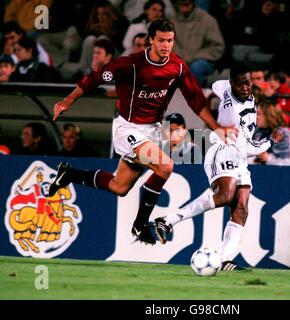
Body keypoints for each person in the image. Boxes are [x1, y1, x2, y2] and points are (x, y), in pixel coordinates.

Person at [48, 18, 235, 245]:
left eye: (170, 40)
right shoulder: (131, 64)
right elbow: (93, 78)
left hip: (152, 131)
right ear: (151, 41)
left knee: (120, 186)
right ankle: (140, 225)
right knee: (165, 166)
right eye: (162, 40)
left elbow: (196, 101)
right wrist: (66, 102)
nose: (166, 45)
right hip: (127, 128)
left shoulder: (177, 67)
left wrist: (216, 128)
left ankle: (69, 174)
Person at [153, 64, 282, 270]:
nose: (247, 88)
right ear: (233, 84)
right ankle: (167, 221)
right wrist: (271, 141)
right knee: (224, 197)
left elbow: (216, 84)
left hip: (238, 157)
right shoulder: (234, 115)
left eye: (249, 82)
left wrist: (227, 91)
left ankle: (225, 258)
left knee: (241, 208)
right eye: (241, 84)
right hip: (223, 151)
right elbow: (250, 148)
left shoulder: (228, 88)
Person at [171, 0, 225, 86]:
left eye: (186, 4)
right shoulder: (172, 21)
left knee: (196, 68)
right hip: (178, 60)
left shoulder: (207, 20)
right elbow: (170, 44)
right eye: (181, 4)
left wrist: (194, 57)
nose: (183, 6)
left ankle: (195, 97)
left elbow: (218, 47)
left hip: (202, 61)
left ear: (193, 3)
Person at [250, 99, 290, 166]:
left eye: (259, 114)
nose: (256, 117)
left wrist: (269, 159)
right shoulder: (255, 134)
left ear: (269, 116)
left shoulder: (288, 135)